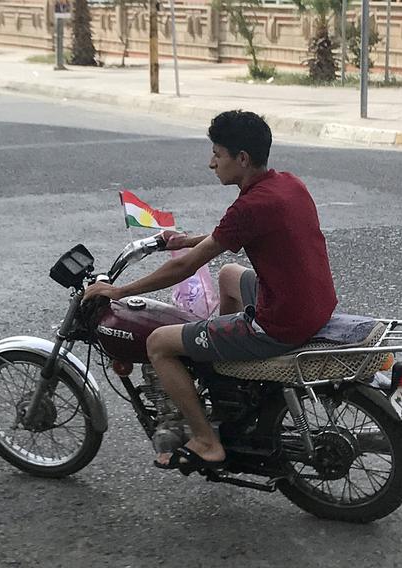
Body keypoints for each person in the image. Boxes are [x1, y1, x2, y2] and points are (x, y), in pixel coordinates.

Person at [83, 110, 338, 469]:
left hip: (280, 322)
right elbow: (228, 236)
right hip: (313, 304)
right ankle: (227, 372)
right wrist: (183, 239)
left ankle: (206, 440)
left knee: (158, 343)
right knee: (230, 274)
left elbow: (185, 266)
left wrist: (119, 290)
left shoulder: (250, 205)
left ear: (242, 159)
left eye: (218, 154)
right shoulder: (287, 184)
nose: (211, 163)